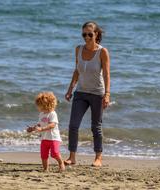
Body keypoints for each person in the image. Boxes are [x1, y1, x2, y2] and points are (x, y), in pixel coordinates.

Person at [64, 21, 110, 167]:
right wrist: (71, 88)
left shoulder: (102, 52)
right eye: (84, 34)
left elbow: (107, 75)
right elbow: (77, 70)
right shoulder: (78, 49)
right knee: (73, 125)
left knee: (96, 127)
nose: (87, 37)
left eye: (90, 34)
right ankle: (72, 157)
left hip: (97, 94)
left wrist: (107, 94)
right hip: (81, 92)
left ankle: (98, 157)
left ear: (96, 34)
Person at [27, 92, 65, 172]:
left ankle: (61, 164)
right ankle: (45, 169)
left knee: (54, 153)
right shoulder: (41, 114)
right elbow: (39, 124)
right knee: (44, 155)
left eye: (39, 105)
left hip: (53, 138)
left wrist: (42, 129)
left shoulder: (52, 114)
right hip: (44, 138)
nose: (37, 107)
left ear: (46, 105)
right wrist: (33, 128)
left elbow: (52, 125)